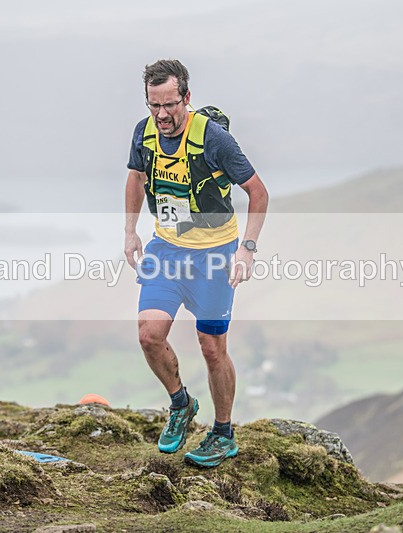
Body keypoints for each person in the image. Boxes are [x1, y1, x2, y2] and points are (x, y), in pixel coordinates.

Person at [124, 59, 269, 468]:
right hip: (166, 250)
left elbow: (258, 193)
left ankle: (223, 433)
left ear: (187, 98)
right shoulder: (144, 132)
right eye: (154, 105)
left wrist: (248, 248)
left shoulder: (215, 140)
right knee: (149, 335)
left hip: (214, 256)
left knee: (211, 348)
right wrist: (130, 231)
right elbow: (136, 178)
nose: (162, 115)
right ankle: (181, 402)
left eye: (170, 104)